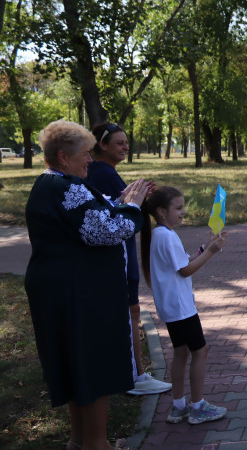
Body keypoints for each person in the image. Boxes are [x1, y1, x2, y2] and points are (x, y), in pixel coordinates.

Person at [24, 119, 149, 450]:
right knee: (93, 363)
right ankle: (96, 444)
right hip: (79, 296)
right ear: (64, 157)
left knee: (75, 365)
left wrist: (118, 204)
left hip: (60, 292)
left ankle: (79, 441)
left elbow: (86, 219)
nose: (91, 161)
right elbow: (106, 230)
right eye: (85, 154)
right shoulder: (67, 187)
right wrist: (132, 206)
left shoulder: (49, 183)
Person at [87, 122, 172, 396]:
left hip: (118, 255)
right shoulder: (102, 173)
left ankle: (133, 374)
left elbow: (124, 207)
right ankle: (134, 377)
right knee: (129, 311)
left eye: (126, 142)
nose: (125, 147)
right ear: (102, 145)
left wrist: (142, 198)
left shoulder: (105, 172)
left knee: (130, 311)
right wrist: (138, 202)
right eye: (119, 143)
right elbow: (121, 216)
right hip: (119, 257)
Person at [140, 186, 229, 425]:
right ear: (161, 211)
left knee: (181, 352)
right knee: (200, 351)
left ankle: (179, 406)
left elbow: (182, 262)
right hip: (181, 308)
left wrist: (204, 248)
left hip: (171, 307)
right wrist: (211, 251)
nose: (184, 212)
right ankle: (198, 407)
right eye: (178, 208)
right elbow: (185, 270)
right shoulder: (167, 237)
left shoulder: (159, 234)